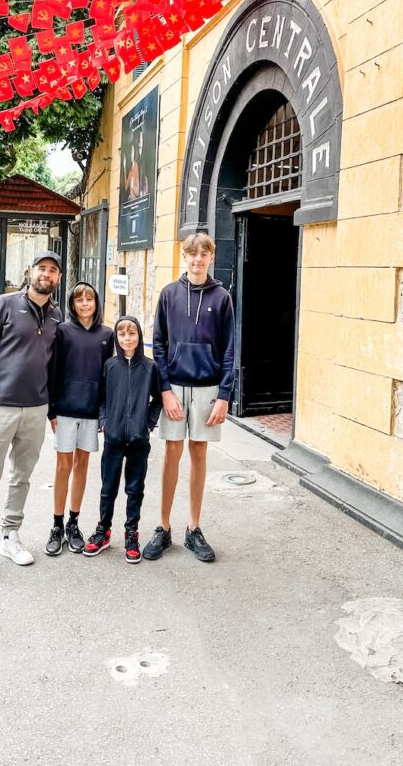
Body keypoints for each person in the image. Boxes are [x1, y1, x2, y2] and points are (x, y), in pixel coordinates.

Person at [0, 251, 63, 583]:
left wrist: (53, 410)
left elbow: (54, 367)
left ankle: (10, 537)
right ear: (31, 272)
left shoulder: (57, 316)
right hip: (0, 406)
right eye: (42, 268)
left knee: (22, 476)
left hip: (36, 408)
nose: (46, 274)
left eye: (53, 271)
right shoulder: (6, 305)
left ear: (58, 278)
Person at [143, 233, 235, 564]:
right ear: (184, 257)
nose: (197, 259)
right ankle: (163, 527)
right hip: (175, 387)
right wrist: (164, 389)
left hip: (208, 387)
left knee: (199, 453)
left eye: (203, 254)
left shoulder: (222, 297)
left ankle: (194, 528)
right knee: (171, 452)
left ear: (212, 257)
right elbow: (159, 344)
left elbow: (228, 349)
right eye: (192, 254)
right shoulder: (169, 294)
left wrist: (225, 395)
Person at [82, 317, 162, 563]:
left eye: (132, 334)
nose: (127, 338)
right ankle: (103, 530)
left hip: (139, 439)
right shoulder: (110, 366)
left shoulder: (150, 368)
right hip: (114, 437)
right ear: (117, 338)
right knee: (108, 488)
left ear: (139, 337)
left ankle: (131, 533)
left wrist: (148, 424)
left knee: (135, 488)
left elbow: (158, 399)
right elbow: (102, 397)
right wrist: (105, 420)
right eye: (122, 334)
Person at [46, 282, 114, 555]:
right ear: (72, 304)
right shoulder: (62, 331)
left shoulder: (107, 335)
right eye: (79, 300)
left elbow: (108, 376)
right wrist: (51, 409)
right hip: (64, 408)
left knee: (82, 464)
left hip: (90, 410)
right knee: (63, 465)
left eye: (90, 299)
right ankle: (57, 524)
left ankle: (74, 522)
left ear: (97, 303)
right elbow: (52, 370)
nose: (85, 304)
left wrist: (103, 412)